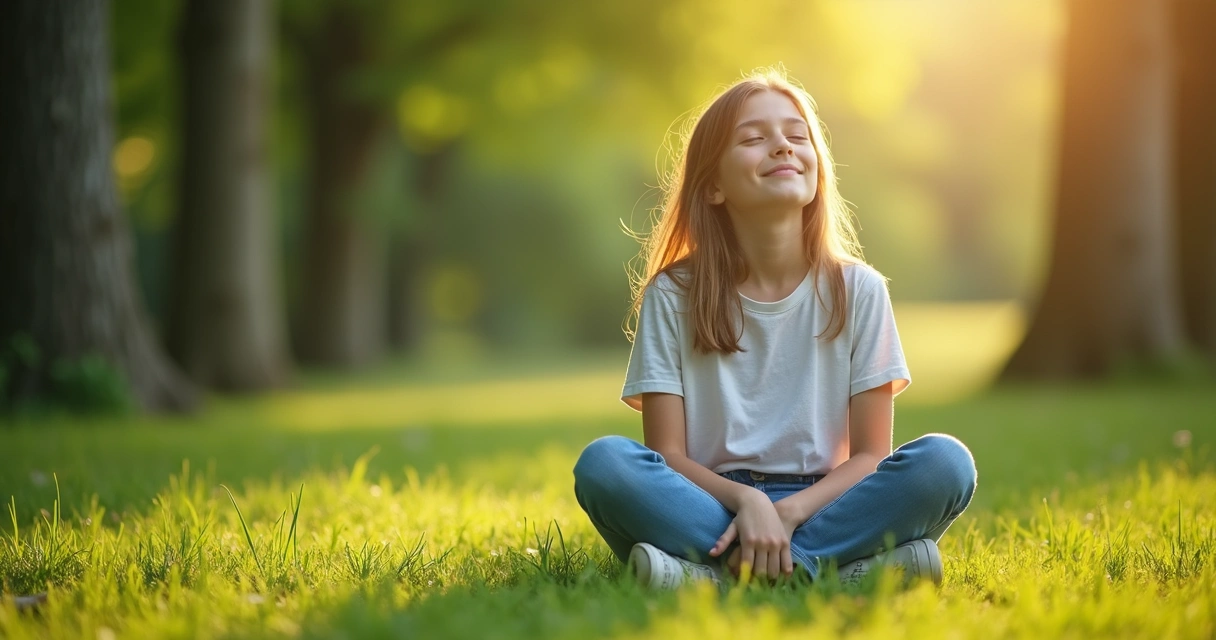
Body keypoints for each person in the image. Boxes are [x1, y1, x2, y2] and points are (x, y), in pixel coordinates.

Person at [572, 68, 977, 589]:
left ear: (817, 168)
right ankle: (840, 572)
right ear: (713, 184)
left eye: (797, 134)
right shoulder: (672, 294)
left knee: (945, 463)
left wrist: (788, 514)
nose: (783, 146)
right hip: (711, 501)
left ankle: (716, 577)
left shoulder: (861, 291)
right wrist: (747, 501)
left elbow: (873, 455)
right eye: (754, 138)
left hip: (826, 500)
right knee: (606, 463)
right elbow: (667, 456)